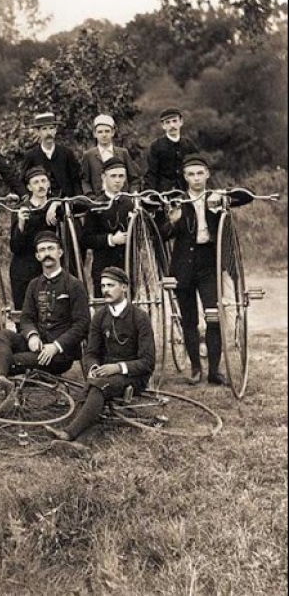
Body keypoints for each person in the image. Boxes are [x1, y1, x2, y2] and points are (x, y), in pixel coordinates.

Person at [162, 154, 253, 384]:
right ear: (185, 177)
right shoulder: (177, 200)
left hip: (209, 265)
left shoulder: (216, 196)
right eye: (191, 174)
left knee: (213, 317)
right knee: (189, 319)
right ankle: (195, 367)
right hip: (182, 266)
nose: (196, 178)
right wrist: (173, 221)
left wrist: (222, 196)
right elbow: (161, 235)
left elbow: (246, 197)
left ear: (207, 174)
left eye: (200, 173)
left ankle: (214, 371)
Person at [46, 267, 155, 454]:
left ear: (124, 287)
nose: (105, 290)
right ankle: (80, 444)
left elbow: (148, 362)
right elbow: (91, 352)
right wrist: (93, 367)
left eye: (111, 285)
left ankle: (69, 433)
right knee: (91, 387)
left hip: (134, 376)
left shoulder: (139, 317)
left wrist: (117, 367)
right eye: (103, 286)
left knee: (96, 387)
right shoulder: (100, 316)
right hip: (104, 375)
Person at [0, 231, 90, 379]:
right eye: (42, 250)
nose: (47, 254)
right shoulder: (34, 284)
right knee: (3, 335)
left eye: (51, 248)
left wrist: (56, 346)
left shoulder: (74, 284)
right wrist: (32, 336)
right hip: (37, 346)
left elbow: (82, 324)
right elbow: (26, 318)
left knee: (8, 360)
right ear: (37, 256)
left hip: (60, 354)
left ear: (60, 252)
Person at [81, 158, 135, 299]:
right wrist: (111, 240)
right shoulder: (96, 205)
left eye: (121, 176)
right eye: (113, 176)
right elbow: (86, 239)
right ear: (104, 177)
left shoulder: (130, 203)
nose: (117, 180)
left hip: (127, 266)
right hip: (103, 267)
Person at [9, 166, 56, 311]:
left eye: (43, 181)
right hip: (25, 269)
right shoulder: (21, 209)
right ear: (29, 187)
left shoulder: (55, 205)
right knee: (26, 312)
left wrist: (56, 203)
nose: (41, 186)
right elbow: (15, 247)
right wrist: (21, 224)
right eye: (36, 182)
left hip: (49, 267)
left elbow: (81, 204)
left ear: (48, 183)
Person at [16, 112, 82, 200]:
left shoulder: (66, 153)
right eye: (44, 129)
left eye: (51, 128)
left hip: (66, 201)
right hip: (42, 202)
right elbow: (23, 181)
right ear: (38, 132)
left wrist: (76, 200)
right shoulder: (31, 156)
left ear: (55, 131)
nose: (49, 133)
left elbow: (76, 180)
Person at [80, 114, 141, 196]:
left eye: (107, 131)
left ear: (113, 132)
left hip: (122, 198)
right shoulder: (88, 156)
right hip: (98, 199)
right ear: (94, 134)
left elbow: (134, 178)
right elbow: (85, 181)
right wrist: (90, 196)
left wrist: (132, 193)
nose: (104, 135)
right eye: (100, 132)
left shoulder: (122, 153)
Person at [144, 107, 200, 194]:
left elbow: (198, 168)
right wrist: (149, 195)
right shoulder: (156, 146)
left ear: (181, 122)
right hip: (164, 194)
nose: (172, 125)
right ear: (163, 126)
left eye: (175, 121)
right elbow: (152, 174)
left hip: (187, 192)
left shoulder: (189, 145)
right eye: (168, 122)